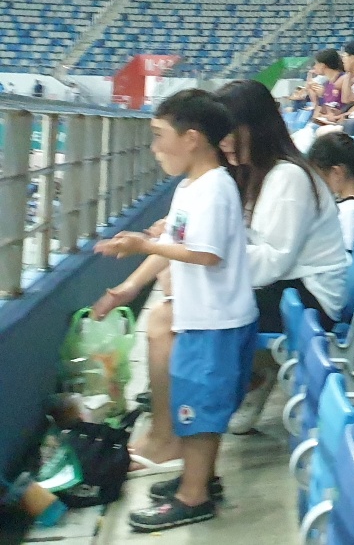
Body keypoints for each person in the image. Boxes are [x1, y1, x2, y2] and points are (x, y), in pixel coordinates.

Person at [93, 90, 255, 531]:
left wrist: (144, 245)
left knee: (199, 412)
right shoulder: (191, 187)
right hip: (205, 318)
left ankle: (193, 496)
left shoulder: (214, 189)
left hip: (215, 322)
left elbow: (206, 254)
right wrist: (128, 288)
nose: (154, 147)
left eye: (159, 135)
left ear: (192, 138)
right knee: (201, 405)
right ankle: (199, 479)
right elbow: (175, 244)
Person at [217, 79, 350, 434]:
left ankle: (245, 382)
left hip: (312, 297)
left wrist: (212, 261)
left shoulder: (288, 177)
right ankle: (246, 381)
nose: (222, 140)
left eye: (228, 130)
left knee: (201, 302)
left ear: (254, 127)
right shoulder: (255, 173)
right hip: (290, 284)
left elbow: (272, 261)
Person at [308, 132, 354, 252]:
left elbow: (343, 255)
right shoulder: (346, 206)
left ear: (336, 173)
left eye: (318, 176)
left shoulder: (351, 212)